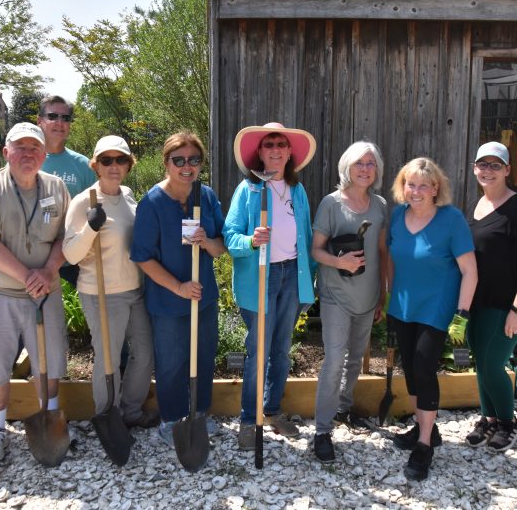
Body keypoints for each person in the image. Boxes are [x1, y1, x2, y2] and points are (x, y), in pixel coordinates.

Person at [0, 122, 70, 464]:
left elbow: (63, 239)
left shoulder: (56, 187)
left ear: (44, 153)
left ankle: (51, 421)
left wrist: (49, 271)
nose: (28, 154)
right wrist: (29, 276)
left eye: (35, 148)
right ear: (6, 151)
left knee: (50, 360)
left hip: (45, 290)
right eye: (21, 148)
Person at [223, 122, 317, 451]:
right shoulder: (248, 190)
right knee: (258, 352)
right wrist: (251, 240)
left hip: (292, 275)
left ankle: (272, 411)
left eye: (281, 144)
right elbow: (229, 235)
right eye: (269, 144)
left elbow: (305, 237)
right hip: (259, 279)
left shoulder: (298, 190)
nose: (275, 149)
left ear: (290, 152)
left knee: (280, 350)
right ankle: (250, 420)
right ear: (260, 153)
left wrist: (310, 280)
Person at [130, 132, 226, 447]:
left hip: (204, 297)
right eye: (179, 160)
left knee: (204, 357)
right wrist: (179, 287)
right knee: (171, 362)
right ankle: (172, 419)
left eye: (194, 160)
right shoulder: (153, 203)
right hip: (169, 301)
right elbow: (143, 258)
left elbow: (220, 247)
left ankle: (199, 414)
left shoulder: (206, 196)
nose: (187, 167)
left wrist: (206, 241)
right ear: (167, 162)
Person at [387, 157, 477, 481]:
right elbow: (392, 259)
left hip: (437, 309)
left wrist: (462, 314)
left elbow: (470, 271)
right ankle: (424, 427)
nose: (417, 190)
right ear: (403, 187)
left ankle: (424, 446)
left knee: (424, 368)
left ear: (436, 188)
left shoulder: (451, 220)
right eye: (411, 183)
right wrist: (388, 296)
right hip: (403, 307)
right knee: (410, 369)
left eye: (424, 184)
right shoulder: (398, 217)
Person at [62, 135, 158, 430]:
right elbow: (71, 254)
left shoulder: (128, 196)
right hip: (101, 293)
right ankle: (107, 416)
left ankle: (129, 411)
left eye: (120, 160)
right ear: (96, 165)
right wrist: (91, 226)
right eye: (106, 160)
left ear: (129, 164)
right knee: (108, 358)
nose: (114, 166)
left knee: (144, 353)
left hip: (135, 289)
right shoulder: (85, 201)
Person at [310, 141, 389, 463]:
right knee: (334, 362)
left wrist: (383, 294)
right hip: (336, 295)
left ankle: (344, 408)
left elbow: (382, 252)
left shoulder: (381, 205)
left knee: (356, 358)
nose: (366, 169)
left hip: (367, 296)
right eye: (360, 163)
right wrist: (339, 263)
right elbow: (316, 250)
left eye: (371, 164)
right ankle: (322, 430)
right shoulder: (331, 204)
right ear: (347, 166)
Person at [465, 141, 517, 452]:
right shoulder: (473, 206)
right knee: (480, 363)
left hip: (507, 304)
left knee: (492, 362)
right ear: (474, 168)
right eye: (483, 164)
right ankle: (490, 420)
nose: (488, 170)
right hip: (477, 302)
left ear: (508, 170)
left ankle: (509, 423)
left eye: (495, 165)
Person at [36, 95, 95, 286]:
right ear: (40, 121)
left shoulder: (84, 165)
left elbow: (93, 210)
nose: (59, 123)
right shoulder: (25, 160)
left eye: (65, 118)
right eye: (52, 116)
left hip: (73, 260)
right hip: (33, 259)